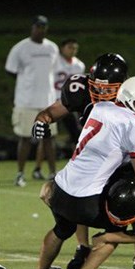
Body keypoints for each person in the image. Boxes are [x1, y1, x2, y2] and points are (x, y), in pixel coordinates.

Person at [31, 53, 135, 269]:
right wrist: (41, 121)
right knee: (98, 209)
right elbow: (49, 113)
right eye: (97, 87)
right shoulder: (81, 90)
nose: (102, 93)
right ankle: (84, 252)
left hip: (127, 164)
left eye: (109, 89)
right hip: (93, 161)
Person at [5, 15, 59, 187]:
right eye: (38, 27)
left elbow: (54, 71)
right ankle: (20, 174)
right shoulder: (20, 48)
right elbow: (11, 70)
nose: (40, 30)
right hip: (26, 101)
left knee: (49, 139)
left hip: (48, 102)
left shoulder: (52, 48)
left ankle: (53, 174)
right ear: (32, 28)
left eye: (43, 27)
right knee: (26, 138)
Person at [33, 38, 86, 180]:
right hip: (53, 103)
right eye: (69, 47)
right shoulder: (54, 61)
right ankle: (38, 168)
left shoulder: (79, 65)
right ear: (62, 48)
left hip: (69, 105)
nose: (72, 50)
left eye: (75, 48)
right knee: (47, 136)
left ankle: (81, 167)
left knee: (79, 136)